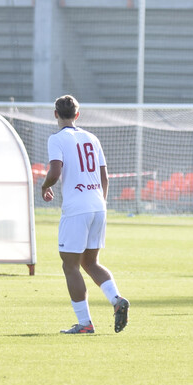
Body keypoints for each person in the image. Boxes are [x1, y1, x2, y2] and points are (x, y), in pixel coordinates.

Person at [40, 94, 129, 334]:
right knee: (90, 262)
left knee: (70, 266)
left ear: (56, 114)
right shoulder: (92, 137)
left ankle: (85, 323)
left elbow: (55, 171)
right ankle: (116, 299)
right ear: (77, 115)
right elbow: (105, 177)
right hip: (98, 205)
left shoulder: (56, 139)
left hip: (77, 208)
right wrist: (100, 203)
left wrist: (44, 186)